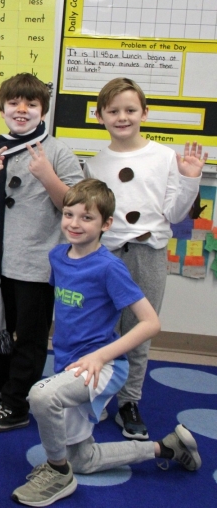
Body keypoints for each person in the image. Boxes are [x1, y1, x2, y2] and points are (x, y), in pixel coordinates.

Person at [11, 179, 201, 507]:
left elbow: (151, 323)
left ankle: (57, 473)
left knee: (41, 397)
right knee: (82, 459)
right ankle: (168, 448)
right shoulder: (58, 256)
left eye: (87, 217)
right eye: (69, 214)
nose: (74, 223)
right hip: (69, 364)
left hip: (106, 366)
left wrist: (100, 356)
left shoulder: (110, 267)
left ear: (106, 224)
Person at [84, 78, 207, 440]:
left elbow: (176, 212)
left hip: (147, 253)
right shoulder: (95, 164)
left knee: (138, 331)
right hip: (105, 257)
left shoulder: (164, 156)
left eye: (130, 110)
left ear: (144, 113)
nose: (122, 117)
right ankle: (97, 393)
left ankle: (129, 401)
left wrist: (190, 179)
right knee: (101, 330)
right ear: (100, 115)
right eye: (113, 111)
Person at [0, 73, 83, 433]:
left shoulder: (59, 151)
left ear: (43, 110)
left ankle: (16, 404)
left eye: (31, 104)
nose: (22, 110)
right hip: (1, 261)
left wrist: (47, 174)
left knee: (29, 339)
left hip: (37, 263)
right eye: (14, 103)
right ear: (2, 108)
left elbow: (74, 207)